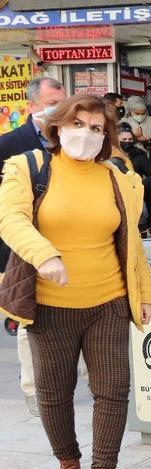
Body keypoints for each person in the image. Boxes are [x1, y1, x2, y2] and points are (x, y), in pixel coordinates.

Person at [0, 93, 151, 469]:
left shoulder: (116, 176)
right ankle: (68, 464)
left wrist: (146, 293)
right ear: (57, 126)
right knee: (54, 392)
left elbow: (131, 241)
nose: (84, 135)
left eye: (95, 129)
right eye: (77, 124)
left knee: (113, 389)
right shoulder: (28, 167)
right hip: (49, 305)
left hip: (108, 301)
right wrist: (44, 254)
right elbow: (10, 218)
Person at [0, 76, 66, 417]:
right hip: (22, 249)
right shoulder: (9, 144)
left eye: (63, 101)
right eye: (52, 103)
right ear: (32, 107)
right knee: (29, 319)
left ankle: (65, 376)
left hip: (67, 244)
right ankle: (34, 391)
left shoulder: (72, 141)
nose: (59, 110)